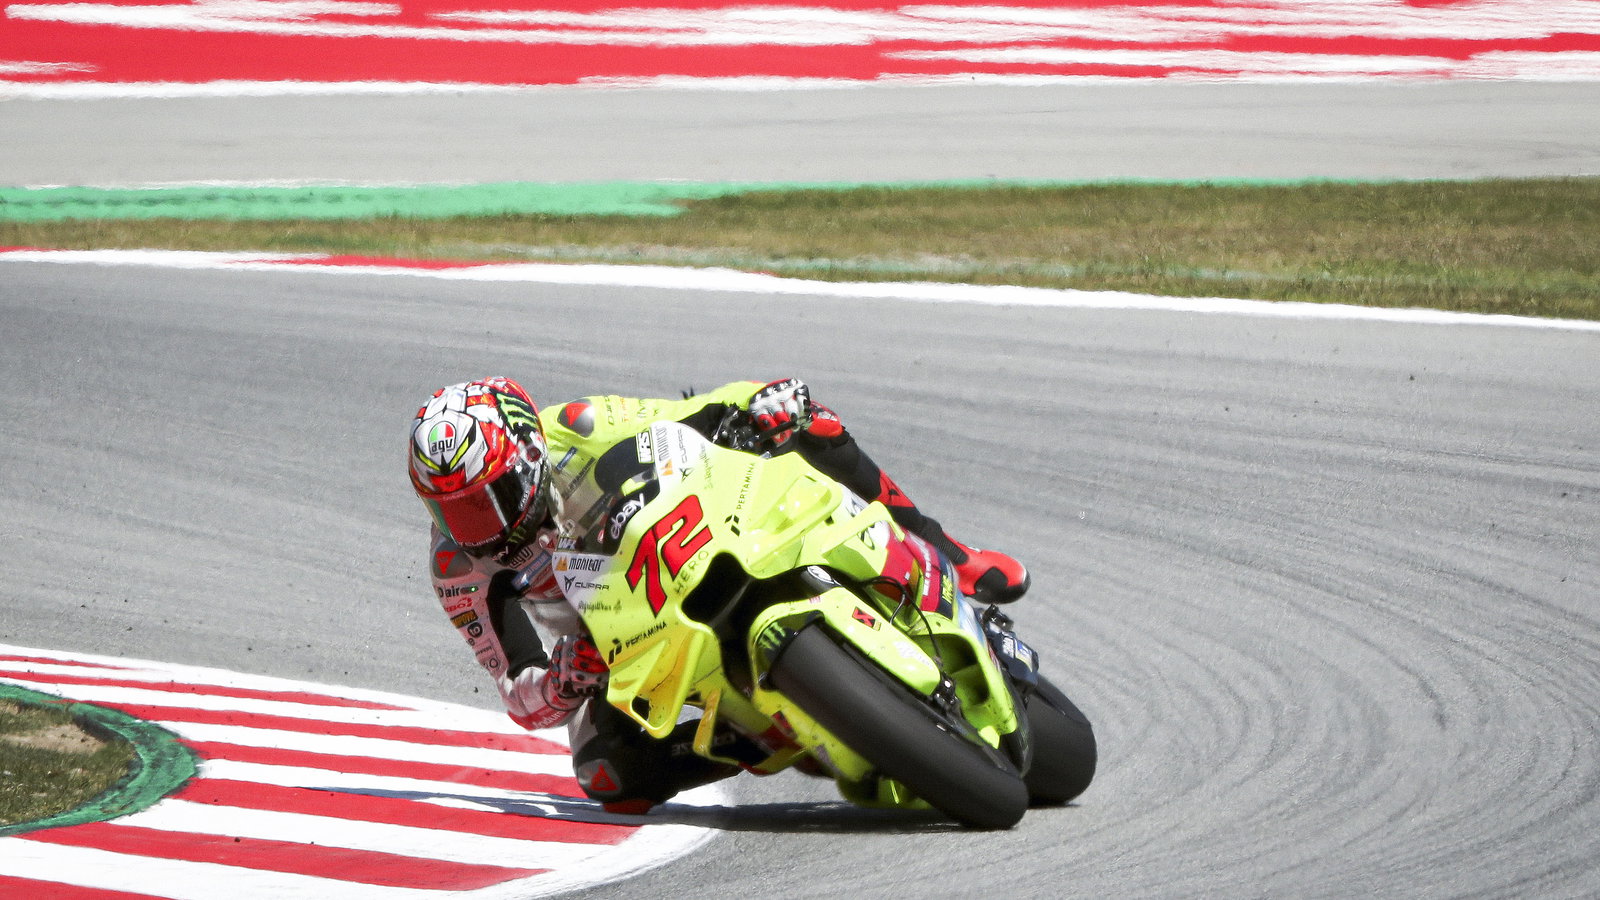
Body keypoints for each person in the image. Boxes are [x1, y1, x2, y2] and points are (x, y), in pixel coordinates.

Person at [407, 376, 1029, 812]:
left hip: (689, 538)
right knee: (606, 774)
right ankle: (755, 740)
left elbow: (696, 413)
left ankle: (950, 553)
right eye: (452, 510)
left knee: (805, 421)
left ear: (528, 453)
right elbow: (518, 694)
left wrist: (760, 406)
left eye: (489, 498)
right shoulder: (456, 568)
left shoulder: (578, 427)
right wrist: (564, 680)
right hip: (614, 647)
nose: (478, 527)